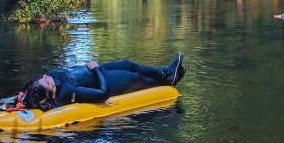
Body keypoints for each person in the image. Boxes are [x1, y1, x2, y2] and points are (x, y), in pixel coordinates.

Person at [23, 54, 185, 111]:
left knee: (130, 65)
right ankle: (169, 80)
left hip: (97, 71)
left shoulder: (37, 85)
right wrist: (96, 69)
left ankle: (167, 72)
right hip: (103, 79)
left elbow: (27, 93)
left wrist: (19, 100)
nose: (46, 77)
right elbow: (103, 94)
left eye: (43, 78)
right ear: (51, 93)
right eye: (47, 83)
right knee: (136, 77)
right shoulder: (68, 91)